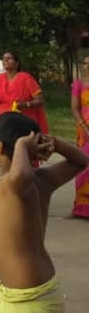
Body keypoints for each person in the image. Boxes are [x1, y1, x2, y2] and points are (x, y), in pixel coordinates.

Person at [0, 111, 89, 313]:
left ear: (1, 146)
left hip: (28, 303)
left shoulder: (18, 184)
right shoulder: (40, 180)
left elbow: (21, 176)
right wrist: (54, 143)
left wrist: (22, 146)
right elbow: (81, 161)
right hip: (29, 297)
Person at [0, 51, 49, 135]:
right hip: (1, 124)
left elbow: (40, 100)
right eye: (4, 59)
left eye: (9, 58)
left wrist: (26, 104)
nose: (6, 60)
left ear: (16, 63)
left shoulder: (26, 79)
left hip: (22, 124)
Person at [69, 53, 89, 219]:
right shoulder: (79, 84)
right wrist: (85, 127)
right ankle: (82, 208)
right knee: (84, 167)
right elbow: (75, 108)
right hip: (85, 132)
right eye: (86, 63)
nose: (88, 66)